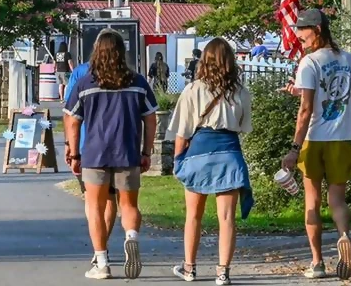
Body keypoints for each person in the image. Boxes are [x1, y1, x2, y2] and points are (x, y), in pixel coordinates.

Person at [63, 28, 157, 280]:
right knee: (128, 204)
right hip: (127, 152)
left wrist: (73, 151)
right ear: (121, 52)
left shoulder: (85, 83)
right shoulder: (137, 82)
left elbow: (72, 120)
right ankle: (131, 237)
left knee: (94, 206)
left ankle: (102, 262)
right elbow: (150, 119)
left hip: (95, 154)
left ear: (97, 52)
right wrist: (146, 151)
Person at [280, 9, 351, 280]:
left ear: (317, 29)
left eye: (302, 29)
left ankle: (317, 263)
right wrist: (301, 90)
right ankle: (344, 236)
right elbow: (338, 95)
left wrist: (293, 148)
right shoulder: (349, 59)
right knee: (337, 199)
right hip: (342, 138)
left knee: (311, 201)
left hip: (313, 140)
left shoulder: (309, 62)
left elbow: (306, 109)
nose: (298, 34)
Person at [169, 38, 254, 286]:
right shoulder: (240, 91)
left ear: (204, 60)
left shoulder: (193, 89)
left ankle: (189, 268)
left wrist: (177, 160)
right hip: (229, 153)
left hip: (199, 153)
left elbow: (182, 132)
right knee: (226, 217)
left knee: (193, 215)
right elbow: (243, 126)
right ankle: (222, 272)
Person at [64, 39, 119, 262]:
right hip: (119, 145)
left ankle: (99, 250)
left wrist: (70, 146)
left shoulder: (80, 73)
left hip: (88, 144)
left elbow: (70, 112)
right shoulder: (125, 74)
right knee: (111, 199)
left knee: (92, 199)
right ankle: (103, 243)